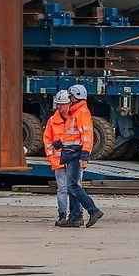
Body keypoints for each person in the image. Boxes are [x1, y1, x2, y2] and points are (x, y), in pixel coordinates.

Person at [60, 84, 102, 228]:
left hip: (75, 154)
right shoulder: (75, 112)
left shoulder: (81, 112)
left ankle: (93, 210)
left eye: (71, 96)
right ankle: (75, 218)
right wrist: (60, 144)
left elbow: (87, 135)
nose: (69, 99)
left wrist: (84, 156)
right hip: (71, 152)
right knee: (73, 186)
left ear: (75, 97)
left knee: (72, 186)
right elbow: (73, 135)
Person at [43, 91, 73, 226]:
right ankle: (62, 215)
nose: (60, 107)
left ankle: (75, 215)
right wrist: (50, 156)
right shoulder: (52, 121)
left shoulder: (75, 118)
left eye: (63, 104)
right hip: (59, 160)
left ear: (69, 104)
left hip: (73, 159)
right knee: (62, 189)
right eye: (58, 104)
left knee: (74, 188)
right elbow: (47, 140)